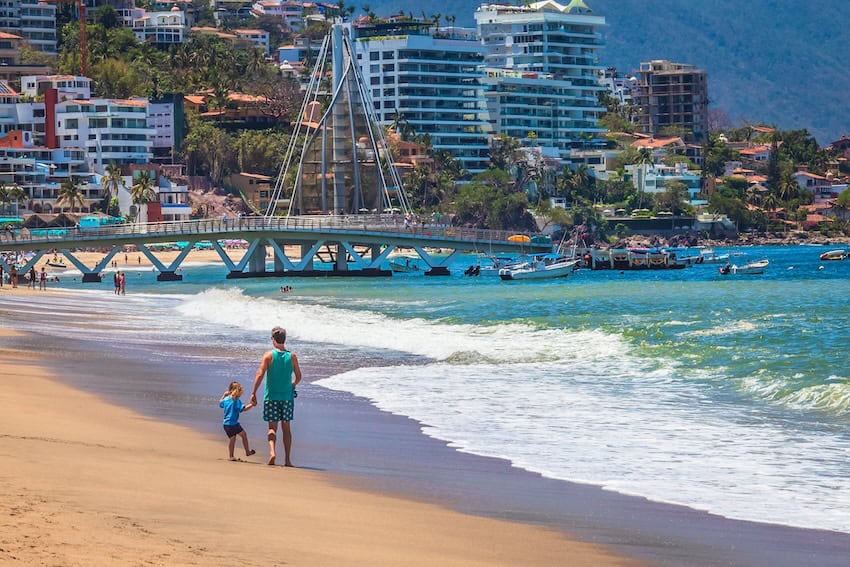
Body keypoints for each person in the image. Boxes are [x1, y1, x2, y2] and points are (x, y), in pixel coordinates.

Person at [250, 326, 302, 466]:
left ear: (273, 340)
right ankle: (287, 460)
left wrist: (253, 392)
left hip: (271, 397)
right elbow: (298, 376)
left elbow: (260, 374)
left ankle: (272, 453)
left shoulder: (268, 356)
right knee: (286, 429)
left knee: (272, 428)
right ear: (284, 340)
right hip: (287, 399)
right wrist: (292, 385)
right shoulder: (292, 356)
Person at [219, 381, 256, 461]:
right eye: (240, 393)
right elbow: (244, 409)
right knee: (237, 437)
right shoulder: (236, 401)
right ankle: (238, 454)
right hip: (231, 424)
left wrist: (224, 395)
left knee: (238, 437)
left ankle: (236, 454)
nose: (240, 395)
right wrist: (252, 404)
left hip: (228, 424)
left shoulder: (226, 399)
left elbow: (220, 404)